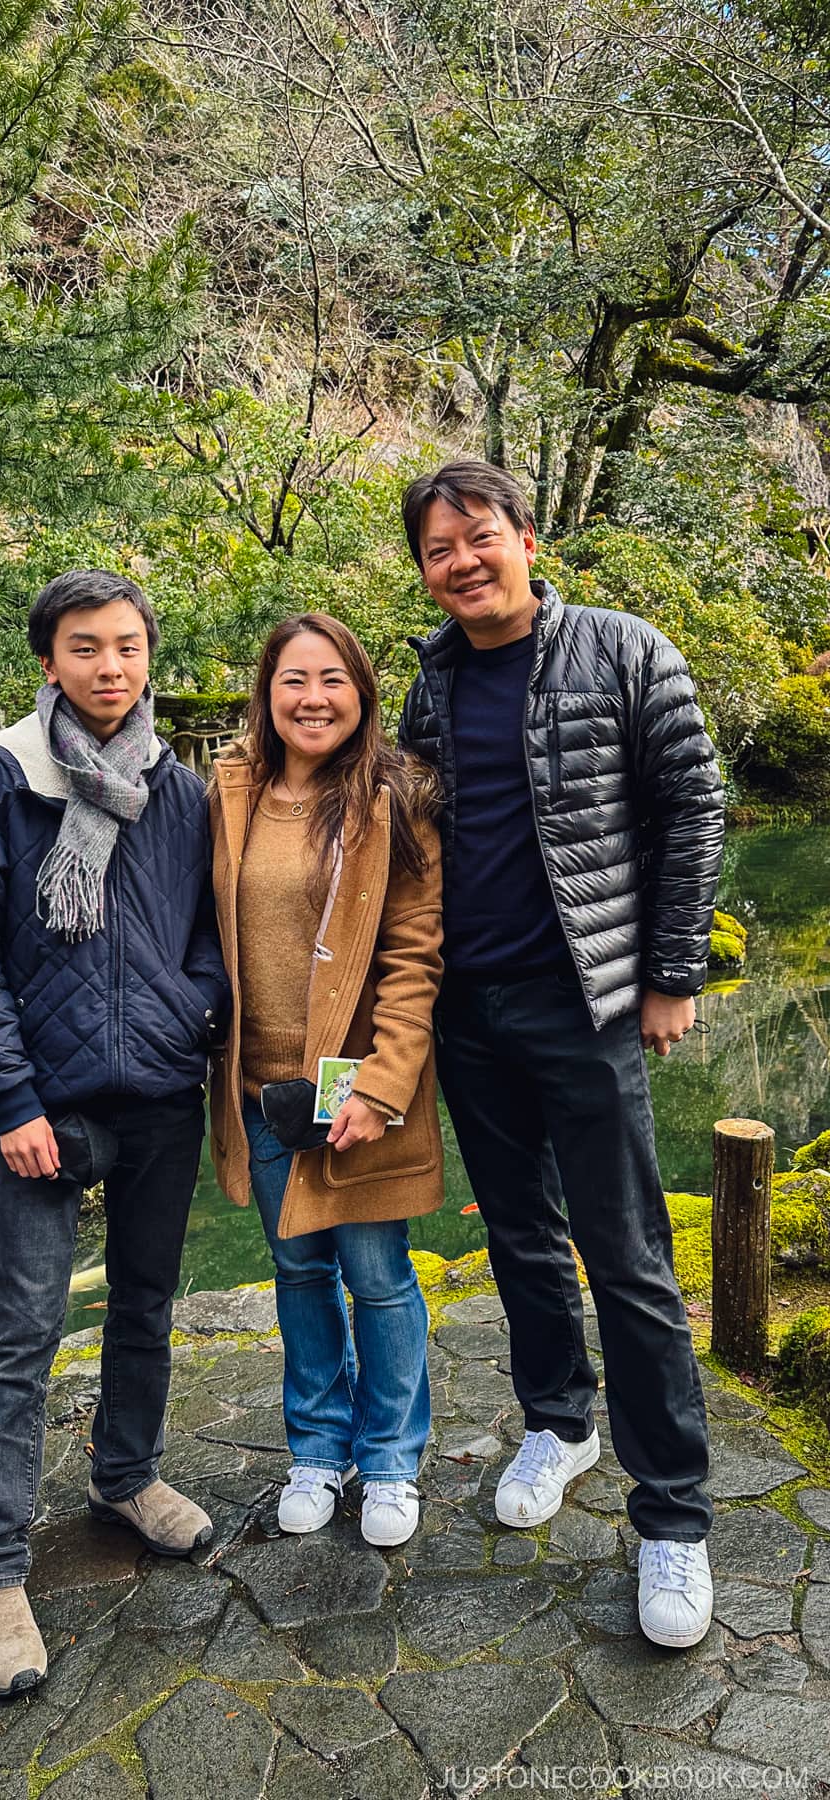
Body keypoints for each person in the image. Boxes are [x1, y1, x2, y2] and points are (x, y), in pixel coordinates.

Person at [397, 461, 724, 1648]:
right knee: (519, 1235)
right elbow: (415, 835)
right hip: (467, 1009)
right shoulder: (430, 681)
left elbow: (694, 803)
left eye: (479, 537)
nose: (463, 562)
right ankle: (559, 1420)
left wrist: (673, 972)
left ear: (526, 538)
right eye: (439, 550)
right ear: (425, 570)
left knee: (628, 1254)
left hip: (586, 1001)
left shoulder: (625, 649)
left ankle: (674, 1519)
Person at [0, 569, 229, 1699]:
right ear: (48, 660)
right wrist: (9, 1101)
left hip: (157, 1094)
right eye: (86, 647)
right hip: (38, 1104)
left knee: (147, 1304)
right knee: (22, 1332)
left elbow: (209, 933)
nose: (111, 666)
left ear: (150, 657)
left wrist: (192, 1011)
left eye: (129, 647)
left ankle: (126, 1475)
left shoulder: (179, 789)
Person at [209, 613, 443, 1551]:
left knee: (378, 1278)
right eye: (294, 680)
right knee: (298, 1269)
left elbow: (415, 954)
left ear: (364, 692)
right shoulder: (228, 791)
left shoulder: (396, 798)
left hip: (356, 1087)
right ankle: (318, 1448)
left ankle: (390, 1457)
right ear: (268, 692)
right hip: (260, 1088)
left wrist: (383, 1084)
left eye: (333, 680)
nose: (313, 699)